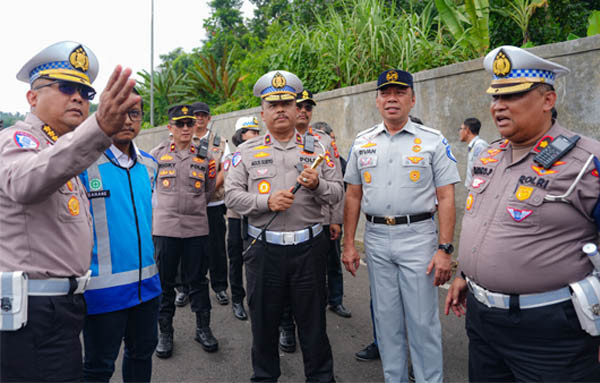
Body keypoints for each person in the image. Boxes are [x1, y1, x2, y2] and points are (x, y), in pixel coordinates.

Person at [445, 45, 600, 381]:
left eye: (513, 96)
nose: (498, 106)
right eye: (495, 97)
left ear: (548, 100)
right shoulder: (490, 155)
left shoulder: (586, 161)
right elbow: (483, 223)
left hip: (550, 332)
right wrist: (465, 274)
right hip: (483, 322)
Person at [0, 41, 140, 381]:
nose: (78, 97)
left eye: (85, 91)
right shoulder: (17, 140)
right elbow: (26, 184)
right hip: (32, 313)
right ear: (32, 98)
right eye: (65, 87)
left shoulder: (61, 149)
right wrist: (99, 129)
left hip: (61, 308)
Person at [342, 69, 460, 382]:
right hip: (377, 238)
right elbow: (353, 196)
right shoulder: (363, 142)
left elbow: (446, 197)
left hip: (418, 237)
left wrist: (444, 248)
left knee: (422, 321)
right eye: (385, 92)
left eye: (399, 92)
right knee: (386, 319)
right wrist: (350, 243)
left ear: (412, 98)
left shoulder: (432, 141)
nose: (392, 98)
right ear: (377, 100)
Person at [225, 70, 343, 382]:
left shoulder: (318, 149)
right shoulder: (246, 152)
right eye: (272, 104)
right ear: (262, 112)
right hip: (264, 252)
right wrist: (265, 203)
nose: (280, 109)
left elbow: (338, 192)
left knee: (314, 327)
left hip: (309, 249)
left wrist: (317, 184)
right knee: (263, 328)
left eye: (287, 103)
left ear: (296, 108)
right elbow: (231, 196)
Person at [79, 90, 161, 382]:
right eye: (120, 113)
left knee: (141, 356)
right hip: (103, 292)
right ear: (104, 115)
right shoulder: (83, 166)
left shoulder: (150, 165)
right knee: (99, 367)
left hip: (148, 288)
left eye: (135, 113)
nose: (128, 120)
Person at [277, 90, 349, 354]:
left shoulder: (322, 143)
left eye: (309, 107)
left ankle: (316, 327)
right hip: (280, 225)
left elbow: (336, 185)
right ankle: (286, 327)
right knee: (283, 285)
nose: (304, 111)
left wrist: (335, 220)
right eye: (300, 106)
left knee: (314, 284)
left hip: (314, 226)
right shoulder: (275, 141)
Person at [151, 104, 218, 357]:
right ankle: (165, 333)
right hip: (165, 229)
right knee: (164, 283)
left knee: (199, 281)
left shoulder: (205, 156)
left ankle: (203, 329)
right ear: (170, 127)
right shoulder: (156, 155)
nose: (187, 128)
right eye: (180, 124)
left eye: (190, 123)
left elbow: (209, 190)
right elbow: (149, 188)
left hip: (195, 228)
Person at [175, 102, 231, 307]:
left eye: (203, 115)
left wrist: (206, 193)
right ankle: (183, 288)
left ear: (209, 118)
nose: (199, 118)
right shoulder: (181, 139)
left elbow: (225, 169)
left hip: (213, 203)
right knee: (185, 248)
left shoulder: (221, 142)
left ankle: (220, 287)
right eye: (195, 115)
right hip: (188, 206)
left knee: (216, 248)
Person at [224, 116, 261, 320]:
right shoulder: (234, 157)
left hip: (257, 216)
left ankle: (257, 300)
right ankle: (237, 299)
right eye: (250, 132)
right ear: (240, 135)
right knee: (236, 258)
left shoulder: (264, 154)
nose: (255, 135)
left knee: (257, 260)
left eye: (257, 132)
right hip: (237, 217)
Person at [459, 117, 488, 188]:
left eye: (461, 129)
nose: (460, 132)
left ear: (467, 130)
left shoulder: (479, 146)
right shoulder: (474, 146)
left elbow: (484, 172)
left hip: (478, 191)